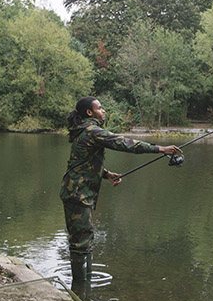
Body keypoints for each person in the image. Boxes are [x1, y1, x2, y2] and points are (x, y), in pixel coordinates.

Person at [60, 96, 182, 283]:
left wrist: (105, 173)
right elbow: (123, 143)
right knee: (81, 243)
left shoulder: (83, 130)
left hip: (78, 192)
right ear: (89, 113)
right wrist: (160, 149)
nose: (104, 111)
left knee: (85, 239)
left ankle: (84, 288)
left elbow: (80, 163)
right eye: (100, 108)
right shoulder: (92, 131)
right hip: (78, 194)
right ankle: (79, 292)